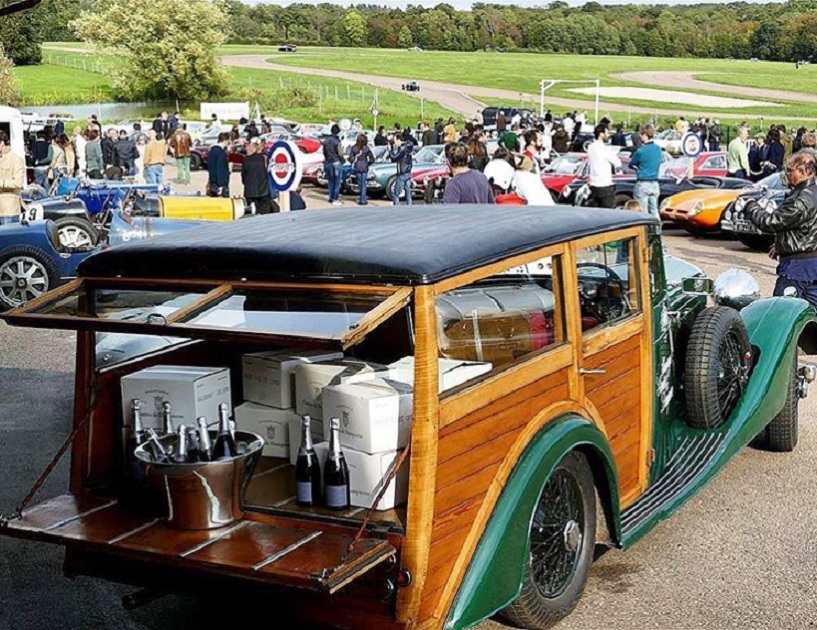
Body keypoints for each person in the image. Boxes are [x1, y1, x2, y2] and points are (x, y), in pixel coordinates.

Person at [746, 151, 817, 307]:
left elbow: (771, 222)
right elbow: (806, 228)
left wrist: (751, 207)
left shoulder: (800, 199)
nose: (786, 175)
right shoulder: (811, 193)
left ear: (804, 171)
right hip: (809, 265)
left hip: (796, 269)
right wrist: (781, 244)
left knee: (780, 314)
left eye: (790, 171)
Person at [629, 124, 662, 218]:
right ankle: (657, 230)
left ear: (644, 135)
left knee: (643, 213)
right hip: (655, 184)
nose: (639, 136)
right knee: (654, 211)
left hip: (643, 182)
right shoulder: (658, 149)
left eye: (641, 134)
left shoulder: (641, 151)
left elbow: (632, 164)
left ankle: (645, 231)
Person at [586, 123, 622, 208]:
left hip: (593, 184)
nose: (608, 135)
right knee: (607, 213)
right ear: (601, 134)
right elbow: (618, 162)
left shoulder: (591, 147)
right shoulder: (605, 149)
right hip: (605, 184)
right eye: (607, 133)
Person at [241, 138, 272, 214]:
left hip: (250, 192)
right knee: (264, 215)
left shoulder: (246, 160)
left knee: (251, 214)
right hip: (263, 192)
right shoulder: (264, 159)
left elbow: (243, 177)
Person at [0, 131, 25, 224]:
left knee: (8, 237)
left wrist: (1, 182)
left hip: (8, 209)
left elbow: (19, 183)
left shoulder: (16, 159)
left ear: (2, 143)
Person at [348, 133, 375, 205]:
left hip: (357, 167)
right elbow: (372, 159)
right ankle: (363, 199)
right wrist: (368, 163)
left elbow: (350, 159)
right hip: (365, 167)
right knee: (363, 184)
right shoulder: (366, 148)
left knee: (360, 184)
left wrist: (353, 161)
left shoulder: (354, 148)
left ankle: (362, 199)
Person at [389, 131, 414, 206]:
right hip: (408, 171)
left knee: (396, 192)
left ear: (398, 139)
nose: (394, 143)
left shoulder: (402, 149)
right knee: (408, 190)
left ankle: (396, 206)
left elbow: (394, 158)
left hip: (402, 173)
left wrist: (390, 150)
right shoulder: (408, 146)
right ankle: (409, 205)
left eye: (395, 141)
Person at [321, 124, 344, 206]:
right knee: (337, 182)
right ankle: (335, 199)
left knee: (330, 181)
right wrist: (343, 161)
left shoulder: (326, 141)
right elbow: (340, 153)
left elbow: (324, 152)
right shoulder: (337, 141)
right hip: (336, 162)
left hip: (328, 162)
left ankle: (331, 197)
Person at [207, 132, 231, 197]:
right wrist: (222, 184)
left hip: (213, 181)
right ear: (226, 140)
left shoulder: (211, 151)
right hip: (220, 184)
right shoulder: (221, 153)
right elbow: (220, 169)